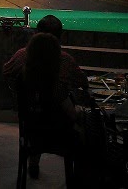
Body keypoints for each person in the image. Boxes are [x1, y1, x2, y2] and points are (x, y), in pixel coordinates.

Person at [16, 32, 80, 184]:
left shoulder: (22, 79)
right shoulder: (56, 85)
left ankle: (33, 164)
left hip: (31, 134)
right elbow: (72, 114)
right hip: (57, 136)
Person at [3, 15, 89, 95]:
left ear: (36, 33)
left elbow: (6, 72)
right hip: (55, 104)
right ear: (60, 36)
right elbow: (83, 82)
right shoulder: (66, 60)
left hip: (26, 103)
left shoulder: (21, 54)